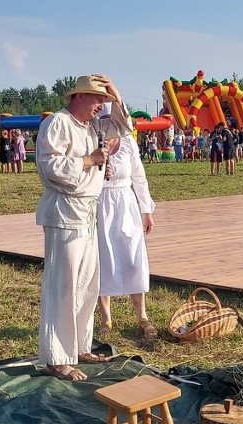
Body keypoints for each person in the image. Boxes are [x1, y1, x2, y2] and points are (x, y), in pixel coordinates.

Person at [35, 74, 130, 381]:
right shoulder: (57, 123)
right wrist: (89, 160)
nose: (100, 106)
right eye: (97, 99)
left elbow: (124, 128)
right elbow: (49, 165)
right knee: (63, 286)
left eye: (104, 101)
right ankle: (57, 358)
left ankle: (78, 346)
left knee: (87, 283)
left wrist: (116, 95)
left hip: (88, 212)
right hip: (65, 211)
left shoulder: (92, 126)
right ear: (78, 97)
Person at [96, 131, 157, 339]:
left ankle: (142, 316)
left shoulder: (128, 141)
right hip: (100, 203)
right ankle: (106, 319)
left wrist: (146, 210)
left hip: (125, 203)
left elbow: (139, 176)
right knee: (103, 259)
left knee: (133, 258)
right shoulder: (91, 140)